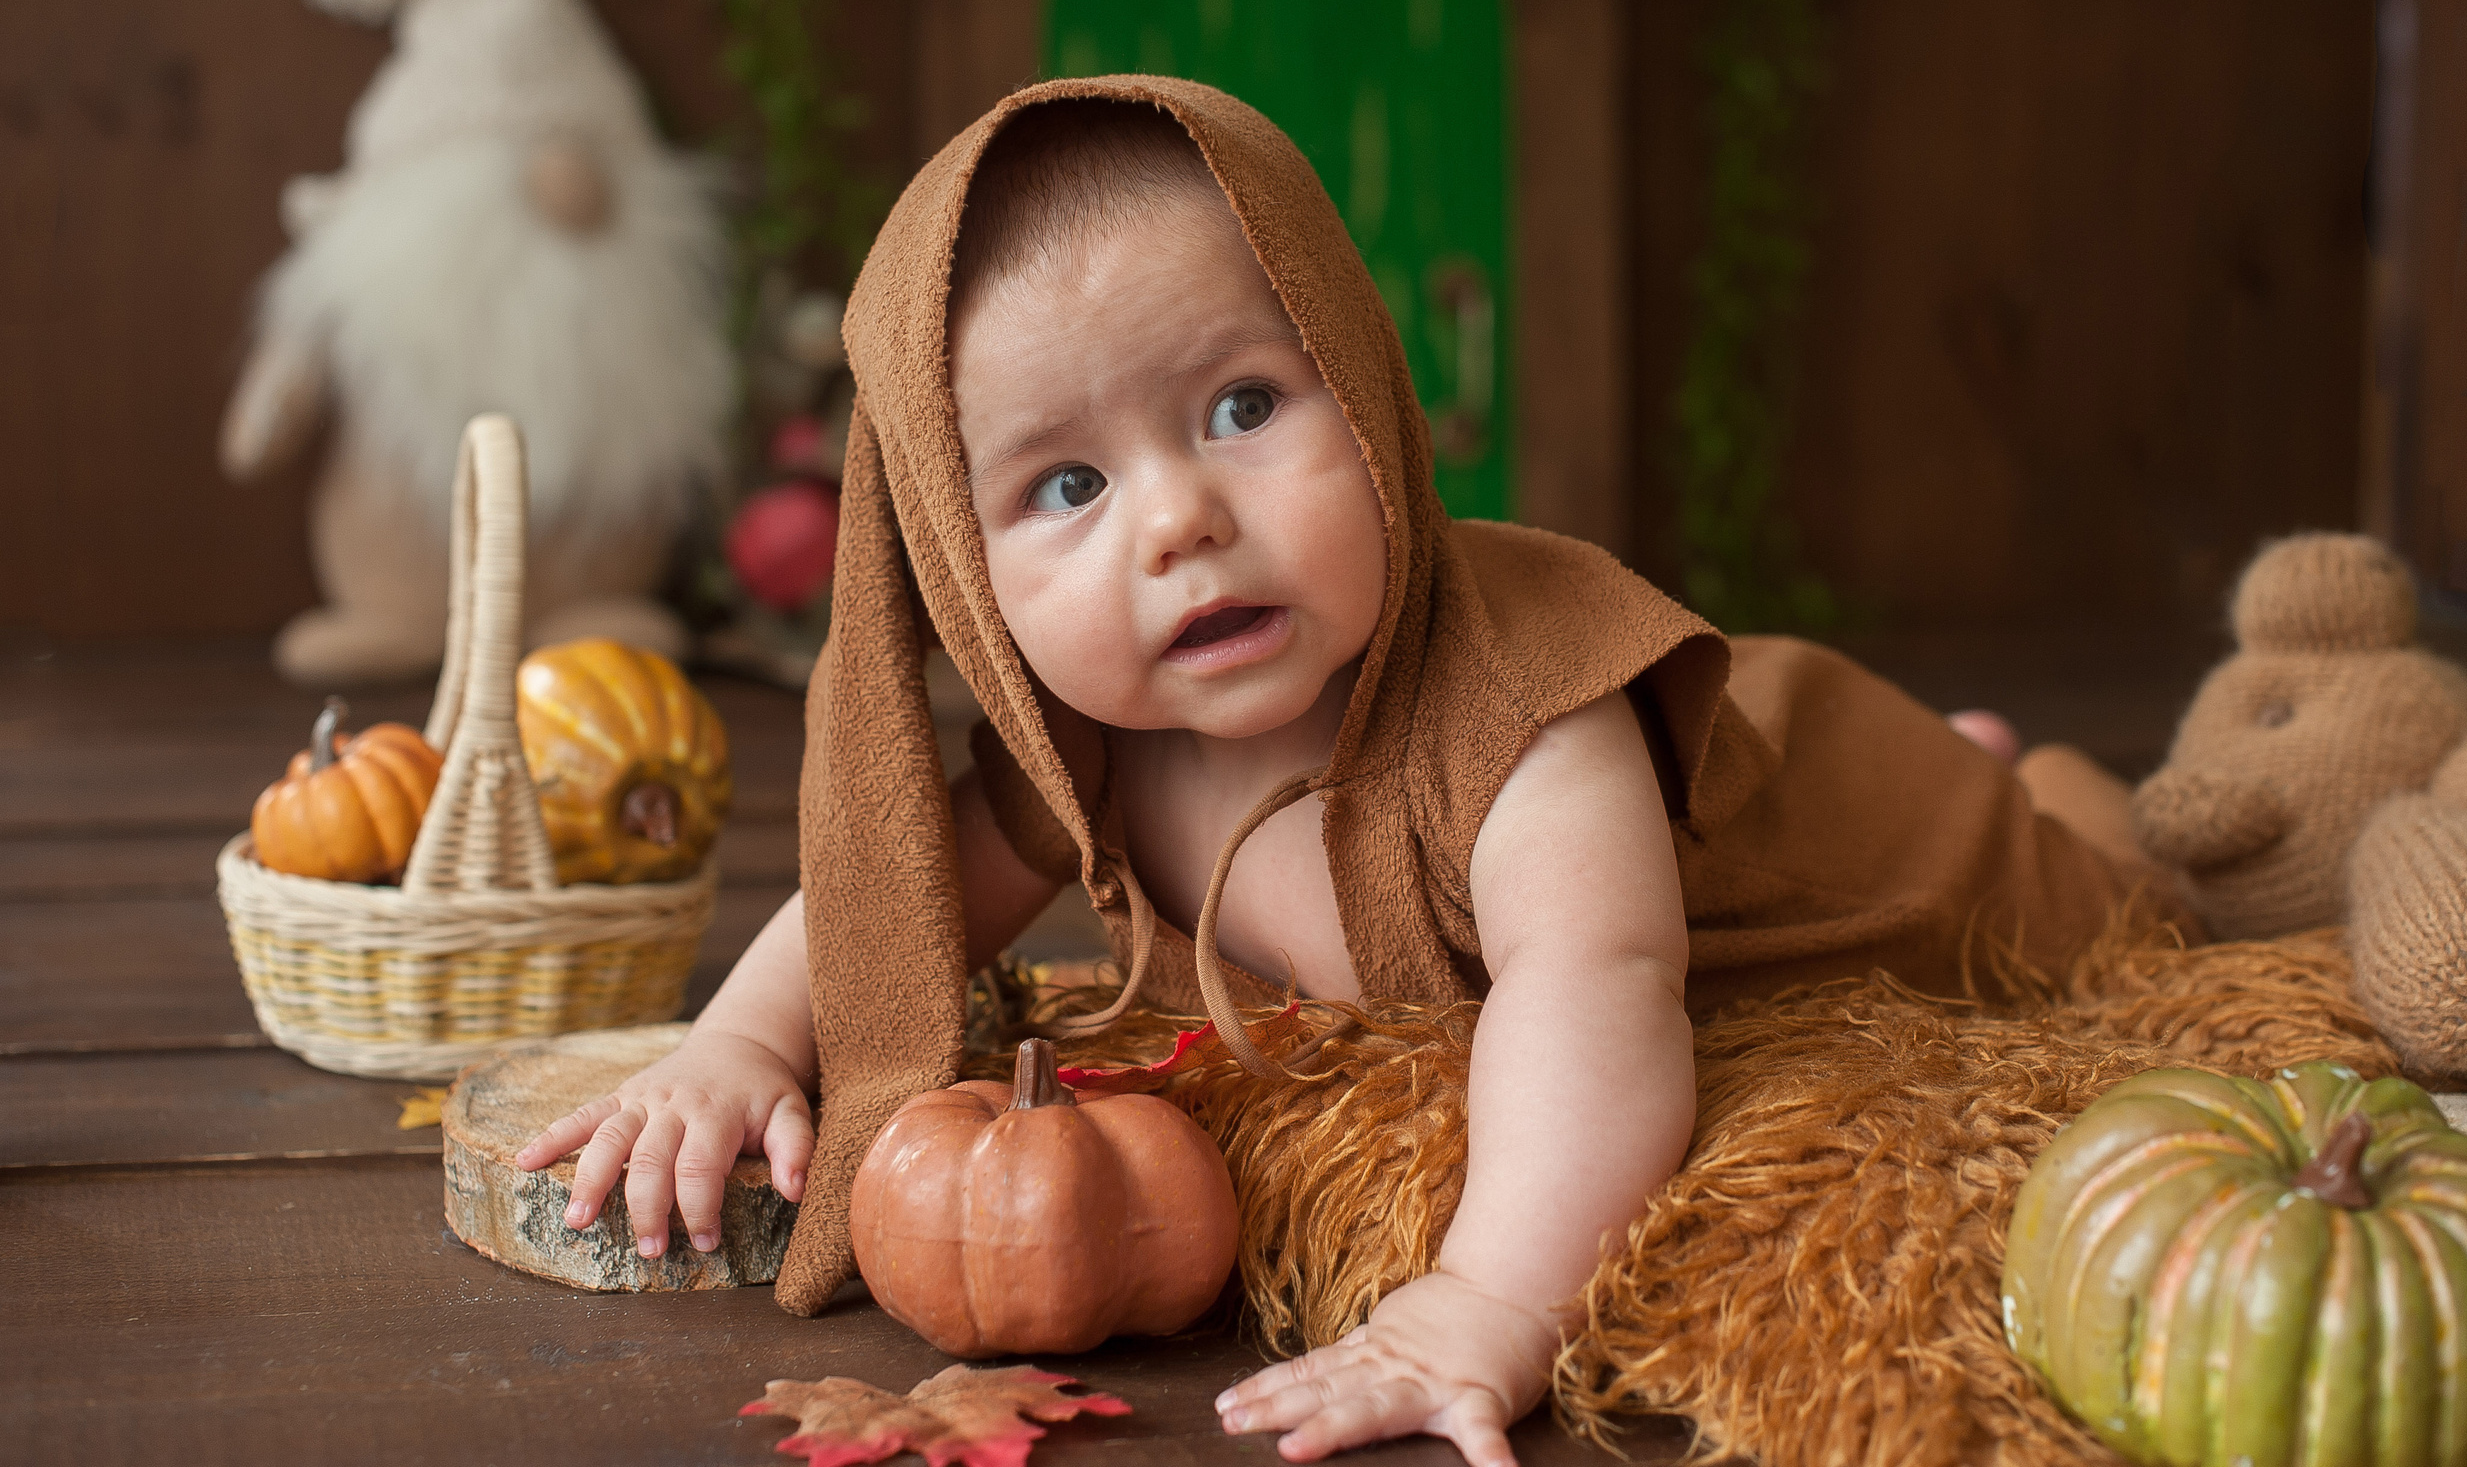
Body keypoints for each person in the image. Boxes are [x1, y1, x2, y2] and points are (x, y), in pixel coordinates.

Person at [518, 78, 2176, 1467]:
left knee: (2098, 877)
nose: (1178, 518)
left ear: (1370, 383)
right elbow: (899, 893)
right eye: (1069, 483)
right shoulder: (1093, 753)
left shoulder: (1528, 712)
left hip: (1879, 828)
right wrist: (741, 1041)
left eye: (1245, 403)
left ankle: (2031, 780)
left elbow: (1596, 989)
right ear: (956, 570)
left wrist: (1491, 1301)